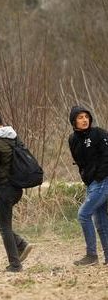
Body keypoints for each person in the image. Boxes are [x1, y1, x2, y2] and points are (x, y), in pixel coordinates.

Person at [0, 111, 33, 272]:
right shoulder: (14, 137)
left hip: (4, 189)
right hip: (17, 188)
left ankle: (15, 264)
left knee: (4, 226)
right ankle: (21, 245)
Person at [67, 106, 108, 266]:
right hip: (91, 184)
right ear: (73, 121)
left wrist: (99, 176)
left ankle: (91, 255)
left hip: (103, 181)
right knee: (101, 221)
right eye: (80, 117)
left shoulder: (99, 133)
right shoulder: (72, 139)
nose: (84, 120)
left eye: (86, 116)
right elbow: (80, 162)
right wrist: (87, 179)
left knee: (84, 214)